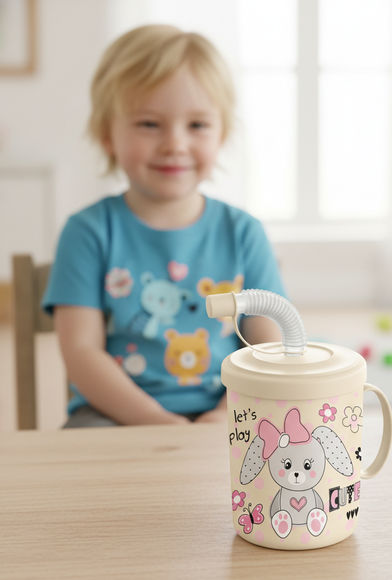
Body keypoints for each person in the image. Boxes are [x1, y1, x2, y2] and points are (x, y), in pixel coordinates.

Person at [42, 24, 285, 428]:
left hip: (230, 409)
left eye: (197, 125)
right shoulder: (87, 232)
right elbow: (81, 353)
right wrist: (156, 421)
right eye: (149, 124)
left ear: (222, 134)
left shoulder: (244, 232)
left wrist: (224, 414)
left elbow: (268, 347)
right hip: (114, 414)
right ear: (107, 134)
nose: (175, 144)